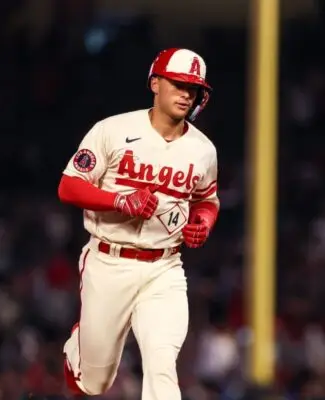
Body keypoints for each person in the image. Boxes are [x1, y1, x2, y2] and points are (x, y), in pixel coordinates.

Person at [58, 48, 220, 400]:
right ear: (155, 83)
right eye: (177, 84)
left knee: (162, 364)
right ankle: (80, 345)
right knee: (95, 382)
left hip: (165, 267)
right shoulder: (113, 130)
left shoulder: (203, 150)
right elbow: (68, 186)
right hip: (108, 261)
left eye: (192, 88)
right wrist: (119, 199)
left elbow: (207, 199)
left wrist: (203, 223)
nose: (185, 94)